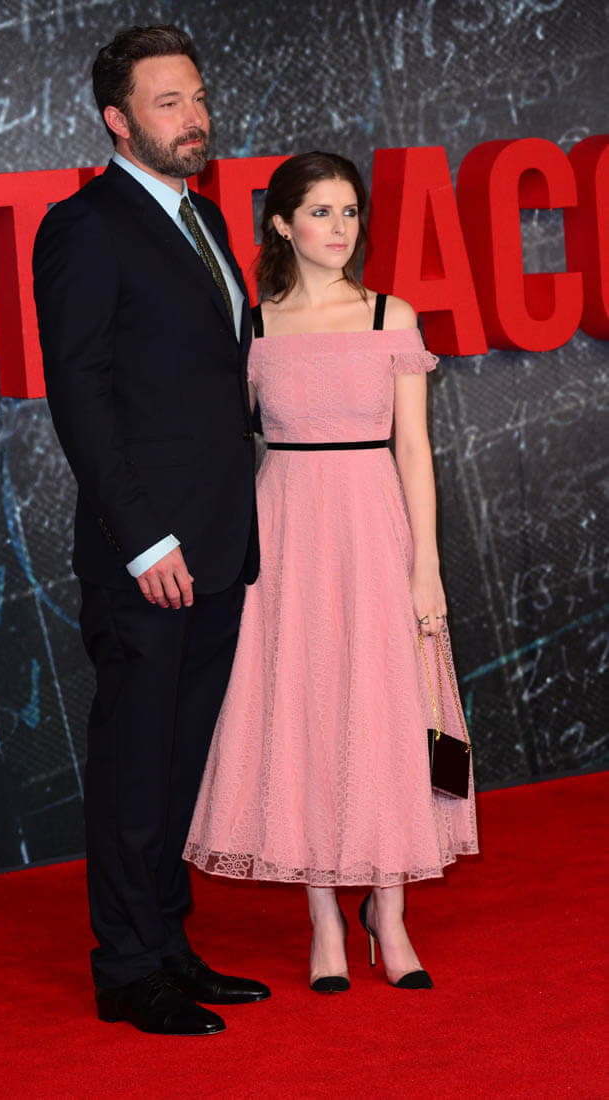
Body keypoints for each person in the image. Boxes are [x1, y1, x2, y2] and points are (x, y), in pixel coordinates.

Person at [184, 151, 479, 993]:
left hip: (375, 529)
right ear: (281, 224)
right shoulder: (256, 327)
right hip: (286, 536)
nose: (339, 227)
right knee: (303, 711)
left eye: (349, 211)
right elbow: (223, 445)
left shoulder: (391, 316)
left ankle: (389, 910)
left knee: (390, 710)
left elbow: (414, 450)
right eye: (319, 212)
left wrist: (426, 567)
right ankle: (323, 916)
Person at [32, 24, 268, 1036]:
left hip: (217, 538)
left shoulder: (204, 218)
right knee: (136, 759)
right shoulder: (84, 227)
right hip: (148, 554)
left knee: (178, 758)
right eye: (168, 101)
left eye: (198, 96)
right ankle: (126, 969)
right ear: (117, 121)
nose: (194, 116)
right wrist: (142, 539)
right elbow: (80, 395)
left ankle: (167, 943)